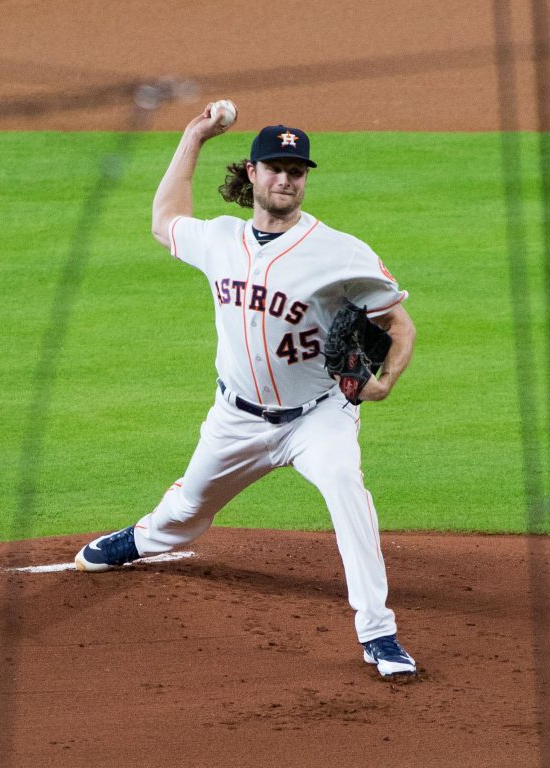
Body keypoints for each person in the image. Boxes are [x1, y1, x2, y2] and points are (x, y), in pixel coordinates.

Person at [76, 103, 418, 677]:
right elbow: (164, 220)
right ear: (253, 173)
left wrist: (384, 383)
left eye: (297, 171)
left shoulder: (340, 252)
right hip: (236, 418)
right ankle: (143, 538)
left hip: (318, 417)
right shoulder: (220, 240)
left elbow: (399, 325)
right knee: (188, 509)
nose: (287, 179)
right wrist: (193, 136)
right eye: (276, 168)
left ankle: (378, 633)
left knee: (346, 489)